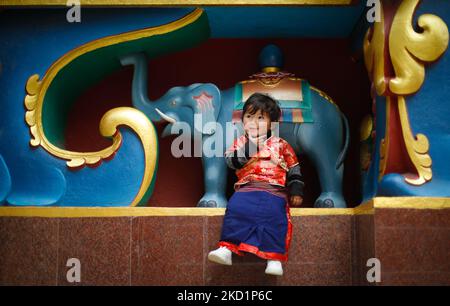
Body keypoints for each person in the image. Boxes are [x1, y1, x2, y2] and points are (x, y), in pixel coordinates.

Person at [208, 93, 304, 276]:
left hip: (274, 191)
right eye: (249, 116)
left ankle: (274, 259)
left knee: (276, 219)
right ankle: (227, 249)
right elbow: (231, 162)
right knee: (235, 210)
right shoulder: (240, 143)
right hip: (246, 190)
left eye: (261, 117)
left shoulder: (281, 145)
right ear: (243, 120)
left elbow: (294, 169)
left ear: (271, 123)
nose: (254, 121)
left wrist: (296, 190)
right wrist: (251, 147)